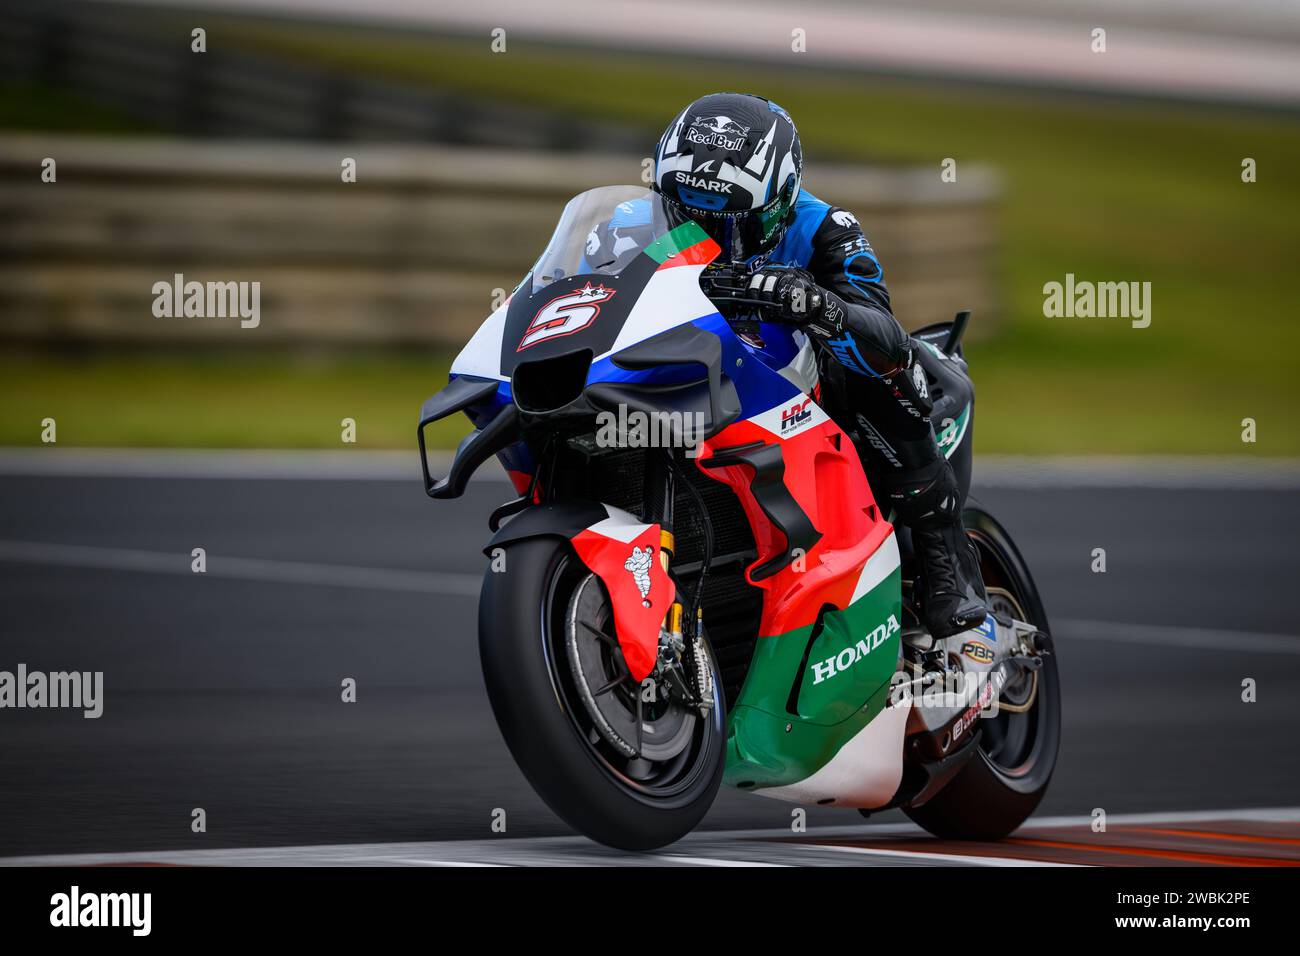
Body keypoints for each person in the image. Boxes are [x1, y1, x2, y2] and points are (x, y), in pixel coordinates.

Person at [653, 92, 987, 639]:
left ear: (780, 200)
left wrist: (819, 305)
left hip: (808, 389)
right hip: (703, 372)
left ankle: (946, 554)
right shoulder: (639, 225)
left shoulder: (826, 227)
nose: (708, 235)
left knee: (875, 370)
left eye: (730, 221)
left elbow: (884, 332)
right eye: (688, 213)